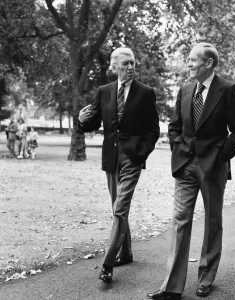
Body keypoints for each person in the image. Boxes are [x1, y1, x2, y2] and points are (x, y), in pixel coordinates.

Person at [147, 42, 235, 300]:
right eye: (189, 60)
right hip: (185, 165)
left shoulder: (228, 90)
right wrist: (177, 149)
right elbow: (174, 127)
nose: (189, 64)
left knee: (213, 222)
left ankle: (206, 278)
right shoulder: (185, 89)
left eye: (193, 60)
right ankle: (171, 287)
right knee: (180, 221)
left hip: (213, 167)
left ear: (209, 63)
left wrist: (220, 156)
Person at [78, 47, 160, 283]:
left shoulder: (146, 93)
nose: (131, 67)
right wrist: (83, 122)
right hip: (111, 158)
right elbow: (93, 120)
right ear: (114, 67)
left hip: (132, 160)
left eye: (133, 62)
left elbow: (153, 130)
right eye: (125, 64)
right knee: (118, 209)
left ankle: (108, 263)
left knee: (119, 208)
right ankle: (127, 252)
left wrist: (140, 154)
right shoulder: (104, 92)